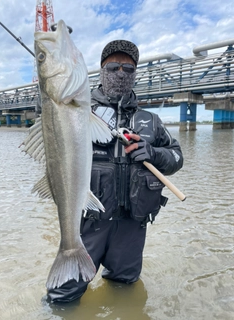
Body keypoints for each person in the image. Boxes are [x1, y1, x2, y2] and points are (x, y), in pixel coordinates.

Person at [47, 40, 184, 303]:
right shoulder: (79, 111)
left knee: (125, 290)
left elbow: (177, 157)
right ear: (100, 70)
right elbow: (55, 151)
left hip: (132, 226)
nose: (120, 73)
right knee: (62, 296)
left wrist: (154, 153)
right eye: (113, 66)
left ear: (135, 74)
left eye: (128, 68)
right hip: (88, 222)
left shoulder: (150, 121)